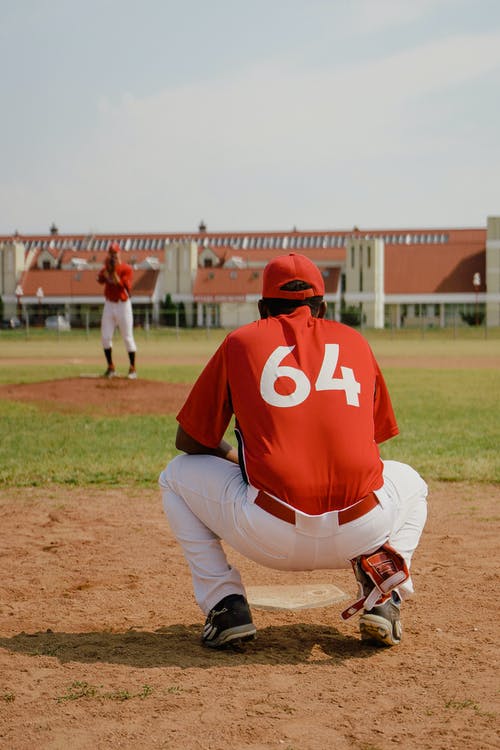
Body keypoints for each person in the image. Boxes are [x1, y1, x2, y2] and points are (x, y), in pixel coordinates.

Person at [159, 253, 427, 650]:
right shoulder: (355, 341)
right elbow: (372, 439)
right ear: (322, 307)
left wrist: (237, 457)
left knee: (175, 476)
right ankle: (383, 592)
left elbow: (189, 439)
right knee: (411, 482)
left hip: (270, 533)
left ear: (262, 308)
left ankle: (225, 606)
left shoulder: (241, 341)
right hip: (361, 529)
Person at [97, 242, 137, 379]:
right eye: (111, 253)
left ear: (119, 253)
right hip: (109, 304)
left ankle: (132, 368)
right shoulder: (106, 268)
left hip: (123, 305)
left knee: (127, 337)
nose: (113, 255)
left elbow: (122, 285)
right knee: (105, 337)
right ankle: (111, 367)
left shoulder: (126, 268)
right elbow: (99, 279)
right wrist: (107, 270)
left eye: (115, 253)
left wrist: (113, 272)